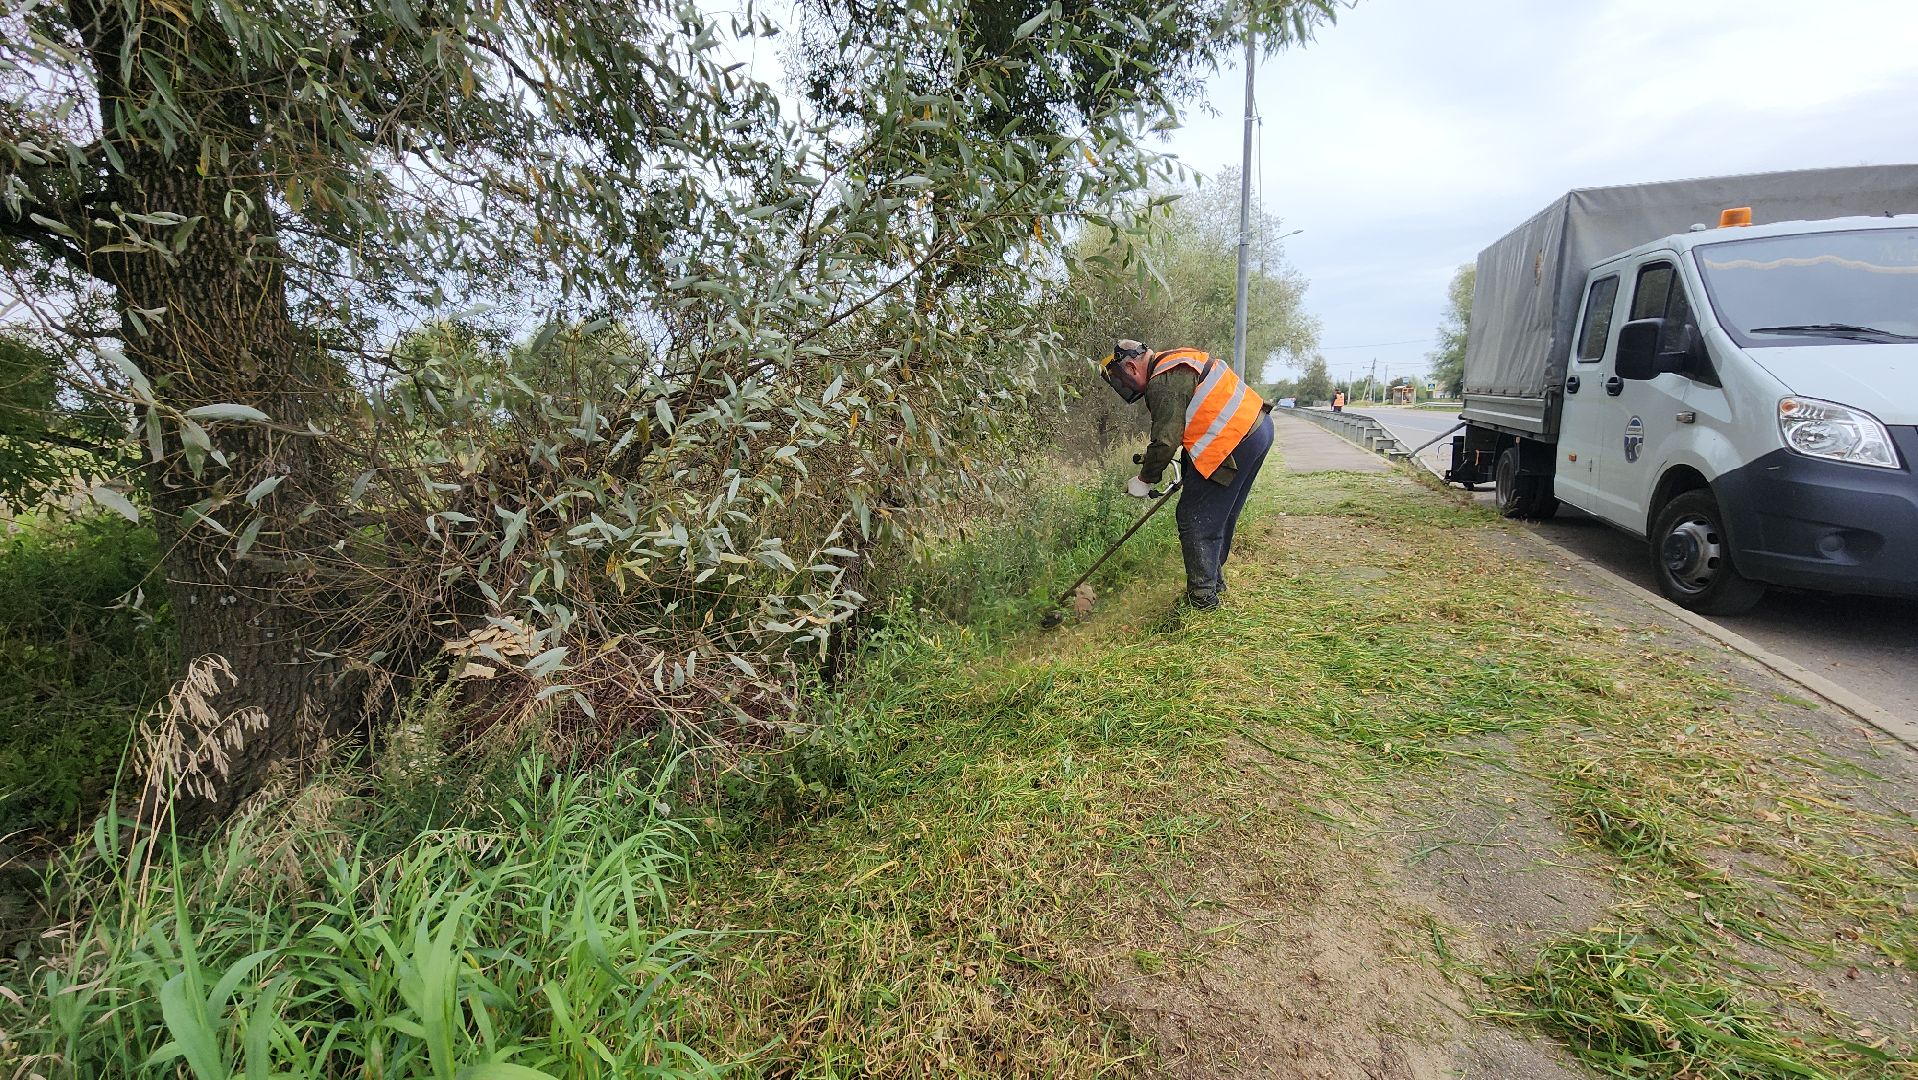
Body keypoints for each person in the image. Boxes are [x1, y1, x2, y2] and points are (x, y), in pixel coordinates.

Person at [1099, 339, 1274, 611]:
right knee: (1218, 513)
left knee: (1194, 517)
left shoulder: (1163, 380)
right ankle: (1213, 584)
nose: (1127, 388)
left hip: (1236, 440)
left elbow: (1166, 441)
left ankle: (1203, 600)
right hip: (1258, 428)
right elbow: (1194, 421)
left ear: (1132, 367)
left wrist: (1145, 480)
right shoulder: (1176, 360)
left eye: (1123, 380)